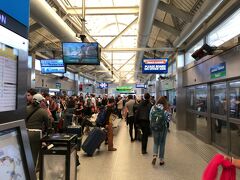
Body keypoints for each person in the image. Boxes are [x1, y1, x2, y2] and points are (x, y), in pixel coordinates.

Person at [149, 96, 171, 166]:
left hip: (154, 128)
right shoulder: (165, 109)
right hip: (163, 128)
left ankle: (155, 155)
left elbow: (150, 117)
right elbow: (168, 120)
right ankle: (161, 160)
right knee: (162, 143)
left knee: (155, 142)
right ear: (165, 102)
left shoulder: (153, 107)